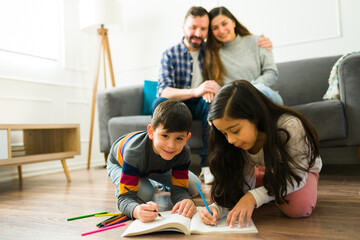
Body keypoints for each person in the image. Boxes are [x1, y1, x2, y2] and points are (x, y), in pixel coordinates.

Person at [153, 6, 273, 184]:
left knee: (214, 107)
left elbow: (235, 46)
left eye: (203, 29)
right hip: (178, 103)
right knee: (159, 103)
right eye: (193, 27)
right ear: (183, 26)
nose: (198, 33)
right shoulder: (170, 54)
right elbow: (164, 90)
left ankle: (208, 166)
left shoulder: (212, 51)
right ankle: (159, 167)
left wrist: (263, 42)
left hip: (203, 101)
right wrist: (196, 91)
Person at [199, 80, 322, 228]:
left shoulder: (290, 127)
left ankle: (268, 187)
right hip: (265, 171)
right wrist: (216, 208)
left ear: (255, 116)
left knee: (298, 207)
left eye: (235, 130)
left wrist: (253, 197)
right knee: (224, 195)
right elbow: (235, 182)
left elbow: (296, 175)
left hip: (298, 171)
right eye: (224, 133)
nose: (230, 140)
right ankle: (268, 186)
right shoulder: (236, 143)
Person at [107, 100, 200, 223]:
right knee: (145, 194)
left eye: (179, 138)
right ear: (151, 132)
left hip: (154, 168)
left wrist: (185, 200)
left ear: (186, 138)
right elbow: (125, 199)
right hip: (120, 164)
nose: (171, 146)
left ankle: (154, 182)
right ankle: (145, 182)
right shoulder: (134, 153)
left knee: (195, 187)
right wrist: (136, 210)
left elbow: (180, 189)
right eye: (165, 136)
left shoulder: (183, 151)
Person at [203, 6, 283, 105]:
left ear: (233, 22)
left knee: (260, 89)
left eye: (224, 24)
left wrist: (249, 89)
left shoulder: (259, 41)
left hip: (263, 96)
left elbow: (271, 73)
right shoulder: (211, 53)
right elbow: (219, 88)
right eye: (215, 28)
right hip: (235, 102)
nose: (221, 30)